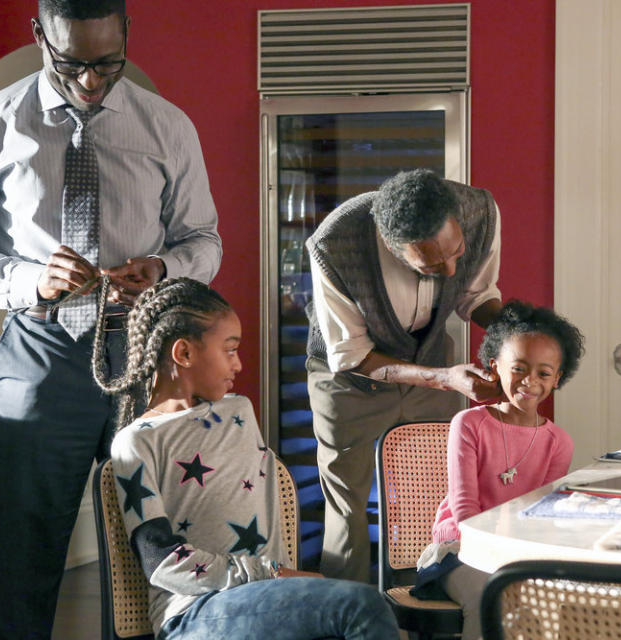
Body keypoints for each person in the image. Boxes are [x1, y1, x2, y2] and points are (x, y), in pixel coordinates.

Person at [0, 1, 221, 636]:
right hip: (41, 356)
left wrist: (165, 269)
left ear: (126, 37)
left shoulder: (168, 126)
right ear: (38, 35)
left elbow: (205, 238)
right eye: (71, 64)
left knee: (161, 548)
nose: (91, 81)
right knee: (27, 553)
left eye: (107, 63)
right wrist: (27, 279)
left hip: (150, 358)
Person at [98, 277, 399, 640]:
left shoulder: (239, 411)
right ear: (185, 353)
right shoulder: (135, 442)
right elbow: (162, 562)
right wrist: (271, 573)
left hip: (268, 601)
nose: (238, 365)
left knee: (351, 610)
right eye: (229, 350)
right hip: (194, 612)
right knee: (360, 605)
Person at [306, 168, 503, 582]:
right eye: (431, 265)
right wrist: (445, 379)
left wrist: (514, 333)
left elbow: (475, 295)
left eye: (456, 252)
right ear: (393, 248)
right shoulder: (332, 244)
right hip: (349, 378)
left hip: (431, 358)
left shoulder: (480, 212)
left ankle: (430, 600)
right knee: (347, 506)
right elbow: (353, 354)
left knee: (436, 493)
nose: (450, 270)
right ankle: (348, 613)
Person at [411, 300, 582, 639]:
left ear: (557, 378)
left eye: (544, 373)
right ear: (494, 367)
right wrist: (502, 555)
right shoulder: (470, 424)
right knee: (490, 598)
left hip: (519, 555)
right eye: (518, 368)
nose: (529, 381)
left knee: (552, 601)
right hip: (460, 550)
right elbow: (464, 511)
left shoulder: (558, 442)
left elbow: (542, 517)